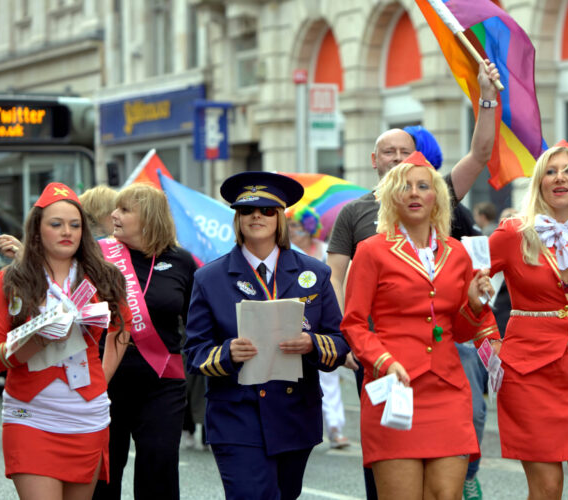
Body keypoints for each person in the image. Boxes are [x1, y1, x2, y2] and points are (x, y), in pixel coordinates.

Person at [327, 60, 500, 500]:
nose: (416, 193)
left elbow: (463, 329)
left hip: (448, 389)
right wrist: (382, 361)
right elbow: (354, 322)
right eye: (406, 186)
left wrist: (476, 304)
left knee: (447, 495)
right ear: (391, 194)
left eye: (425, 186)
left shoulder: (457, 252)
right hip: (394, 384)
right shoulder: (370, 247)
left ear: (438, 197)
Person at [183, 171, 350, 500]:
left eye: (267, 210)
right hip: (236, 415)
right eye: (247, 210)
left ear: (280, 218)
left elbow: (340, 341)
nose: (256, 216)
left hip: (294, 414)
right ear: (237, 218)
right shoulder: (209, 278)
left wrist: (312, 344)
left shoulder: (315, 273)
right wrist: (228, 352)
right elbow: (194, 353)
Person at [0, 182, 127, 500]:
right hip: (29, 415)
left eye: (75, 225)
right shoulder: (11, 280)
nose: (67, 232)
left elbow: (121, 332)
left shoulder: (104, 276)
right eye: (56, 224)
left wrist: (102, 378)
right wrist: (34, 341)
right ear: (37, 230)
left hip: (87, 416)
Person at [488, 140, 568, 499]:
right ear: (539, 183)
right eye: (551, 171)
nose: (560, 178)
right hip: (529, 375)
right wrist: (489, 340)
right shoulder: (513, 233)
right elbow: (465, 283)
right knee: (547, 490)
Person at [93, 183, 197, 500]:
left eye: (124, 210)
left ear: (149, 218)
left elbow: (196, 322)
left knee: (158, 472)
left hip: (162, 384)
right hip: (105, 380)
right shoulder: (97, 256)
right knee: (103, 474)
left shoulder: (182, 261)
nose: (114, 215)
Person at [287, 205, 350, 449]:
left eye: (295, 225)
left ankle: (335, 428)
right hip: (292, 320)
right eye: (289, 225)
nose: (291, 230)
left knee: (329, 375)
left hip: (322, 318)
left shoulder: (325, 251)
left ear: (309, 227)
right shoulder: (285, 253)